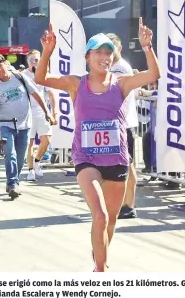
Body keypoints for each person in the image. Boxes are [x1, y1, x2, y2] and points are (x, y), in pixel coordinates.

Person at [35, 18, 160, 272]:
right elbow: (42, 77)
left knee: (111, 221)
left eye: (108, 53)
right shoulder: (75, 83)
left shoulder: (121, 83)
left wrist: (148, 47)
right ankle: (101, 271)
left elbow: (153, 75)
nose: (104, 57)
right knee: (100, 215)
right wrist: (47, 51)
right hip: (86, 159)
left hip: (116, 159)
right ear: (87, 57)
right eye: (98, 52)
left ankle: (99, 256)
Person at [0, 54, 55, 199]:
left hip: (24, 124)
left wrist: (47, 113)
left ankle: (13, 180)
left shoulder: (20, 77)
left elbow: (37, 94)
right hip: (5, 125)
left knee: (20, 157)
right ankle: (12, 184)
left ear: (6, 63)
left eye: (0, 65)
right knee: (10, 154)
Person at [105, 33, 138, 219]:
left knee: (128, 165)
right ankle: (124, 203)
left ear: (119, 49)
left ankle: (129, 204)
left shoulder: (120, 69)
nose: (108, 53)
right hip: (117, 124)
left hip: (124, 124)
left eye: (112, 49)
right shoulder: (115, 67)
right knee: (122, 164)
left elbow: (111, 93)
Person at [23, 50, 57, 181]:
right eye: (31, 60)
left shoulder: (44, 75)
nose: (34, 62)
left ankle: (37, 161)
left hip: (42, 111)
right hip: (27, 113)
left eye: (37, 60)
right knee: (29, 142)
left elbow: (51, 94)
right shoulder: (23, 76)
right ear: (27, 61)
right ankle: (30, 170)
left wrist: (54, 113)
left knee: (46, 140)